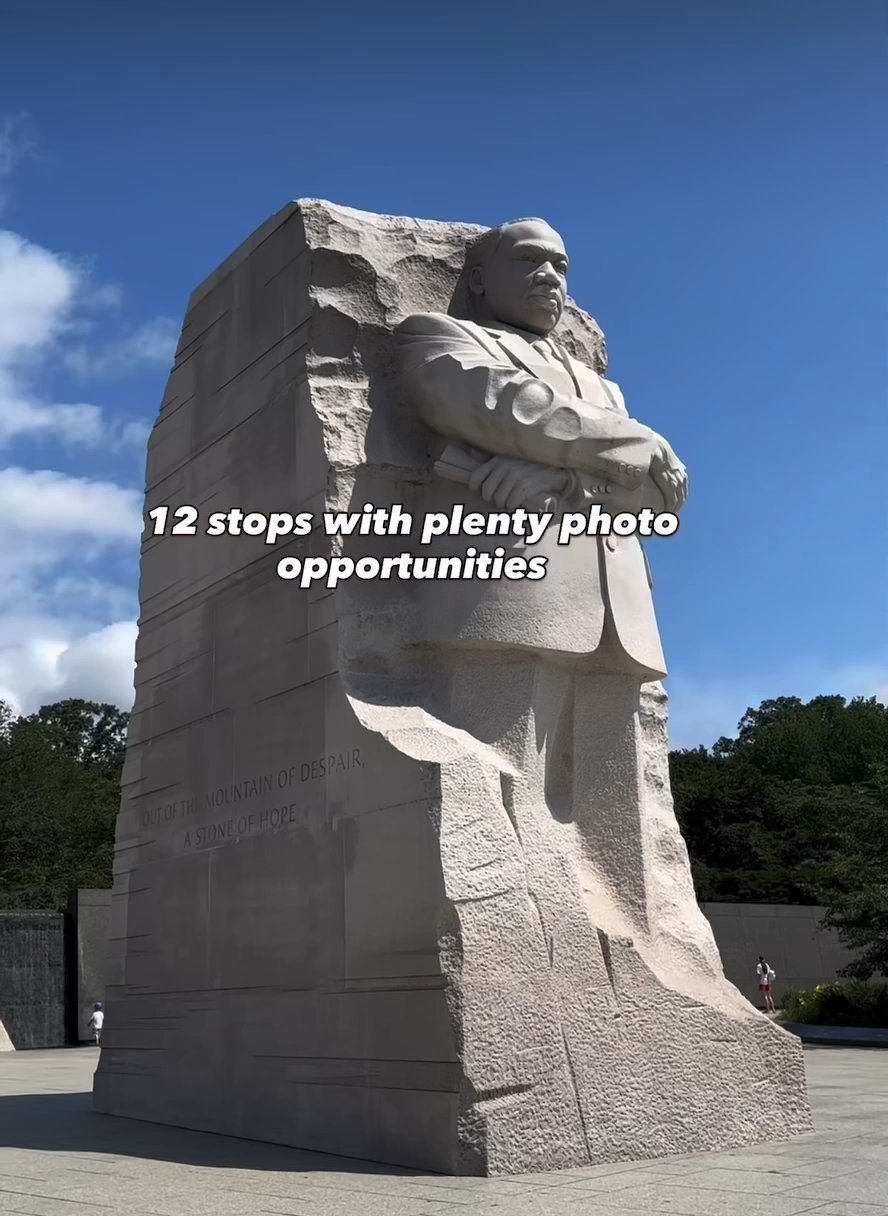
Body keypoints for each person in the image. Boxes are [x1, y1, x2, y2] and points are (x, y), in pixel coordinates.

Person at [392, 217, 725, 976]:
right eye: (531, 261)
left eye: (562, 265)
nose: (552, 277)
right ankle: (522, 964)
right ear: (480, 278)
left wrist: (559, 478)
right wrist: (636, 446)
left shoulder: (602, 388)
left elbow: (662, 499)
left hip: (617, 612)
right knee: (502, 790)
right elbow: (498, 406)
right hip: (511, 597)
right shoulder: (439, 337)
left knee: (623, 819)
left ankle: (641, 969)